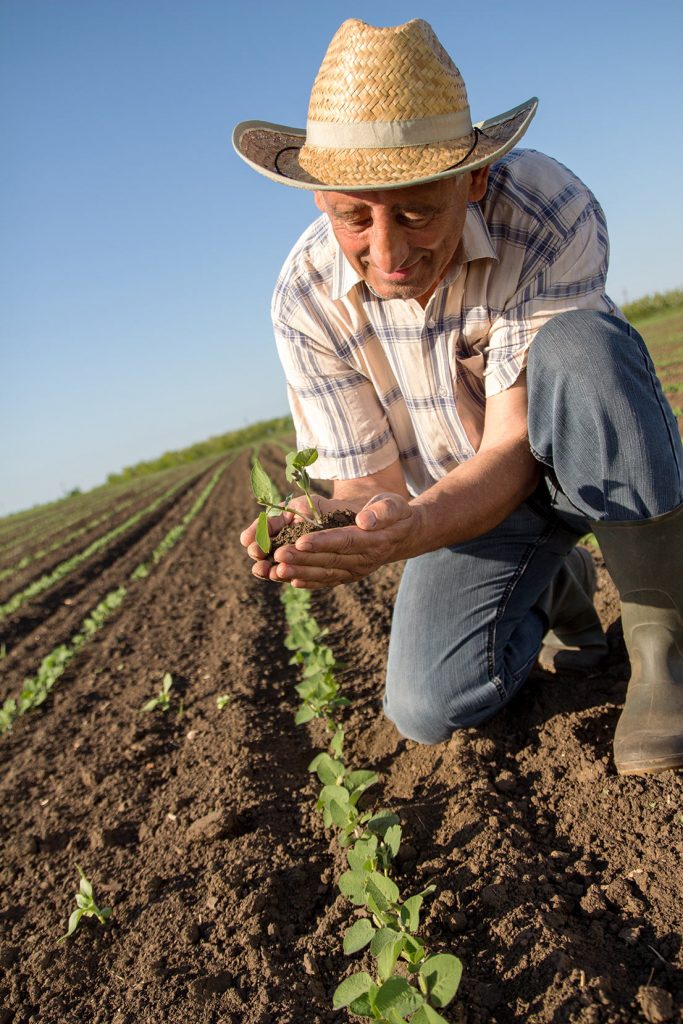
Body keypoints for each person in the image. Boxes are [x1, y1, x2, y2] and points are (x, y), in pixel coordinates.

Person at [233, 18, 683, 776]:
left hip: (586, 447)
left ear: (471, 179)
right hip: (468, 495)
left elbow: (512, 444)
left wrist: (407, 533)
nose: (386, 250)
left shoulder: (545, 209)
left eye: (414, 211)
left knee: (582, 344)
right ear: (318, 199)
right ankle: (554, 585)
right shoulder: (304, 300)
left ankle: (661, 654)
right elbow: (369, 485)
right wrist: (340, 528)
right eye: (352, 215)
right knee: (427, 704)